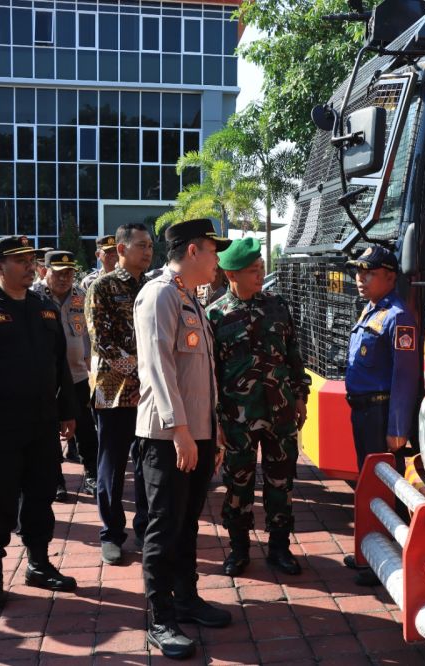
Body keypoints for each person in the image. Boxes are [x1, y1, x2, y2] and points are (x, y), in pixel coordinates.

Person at [0, 235, 78, 611]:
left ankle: (38, 564)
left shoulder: (44, 307)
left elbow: (61, 364)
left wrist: (68, 410)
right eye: (20, 261)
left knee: (40, 495)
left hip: (42, 422)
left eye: (31, 260)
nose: (29, 267)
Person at [134, 219, 232, 658]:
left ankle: (186, 598)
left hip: (197, 432)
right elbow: (158, 367)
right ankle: (160, 618)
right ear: (193, 251)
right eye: (213, 250)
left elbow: (202, 374)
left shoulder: (190, 296)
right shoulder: (159, 295)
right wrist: (180, 431)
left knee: (188, 521)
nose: (217, 260)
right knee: (164, 524)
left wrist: (213, 429)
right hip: (169, 436)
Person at [206, 237, 309, 577]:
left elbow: (293, 354)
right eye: (253, 270)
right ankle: (238, 549)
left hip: (280, 412)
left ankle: (280, 548)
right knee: (239, 483)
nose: (260, 275)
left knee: (282, 482)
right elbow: (211, 374)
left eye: (262, 268)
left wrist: (300, 395)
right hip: (237, 418)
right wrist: (216, 421)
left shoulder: (277, 306)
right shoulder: (215, 315)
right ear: (231, 274)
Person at [341, 246, 420, 581]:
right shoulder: (372, 309)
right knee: (368, 485)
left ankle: (388, 559)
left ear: (389, 277)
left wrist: (398, 427)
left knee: (382, 489)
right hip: (363, 411)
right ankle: (372, 552)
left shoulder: (398, 316)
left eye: (369, 273)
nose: (360, 279)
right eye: (359, 272)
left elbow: (406, 376)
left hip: (380, 412)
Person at [85, 223, 153, 565]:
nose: (148, 251)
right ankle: (111, 533)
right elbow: (102, 341)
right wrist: (141, 372)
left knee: (147, 463)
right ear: (122, 249)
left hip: (150, 392)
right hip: (114, 390)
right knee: (111, 465)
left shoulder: (153, 286)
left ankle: (145, 528)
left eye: (150, 245)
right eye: (141, 245)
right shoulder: (102, 286)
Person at [36, 251, 98, 500]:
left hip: (77, 375)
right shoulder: (33, 297)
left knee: (86, 429)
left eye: (69, 273)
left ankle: (92, 475)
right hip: (46, 379)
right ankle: (55, 479)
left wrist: (91, 365)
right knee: (48, 431)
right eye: (59, 273)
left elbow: (89, 334)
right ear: (44, 271)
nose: (64, 278)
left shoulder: (81, 295)